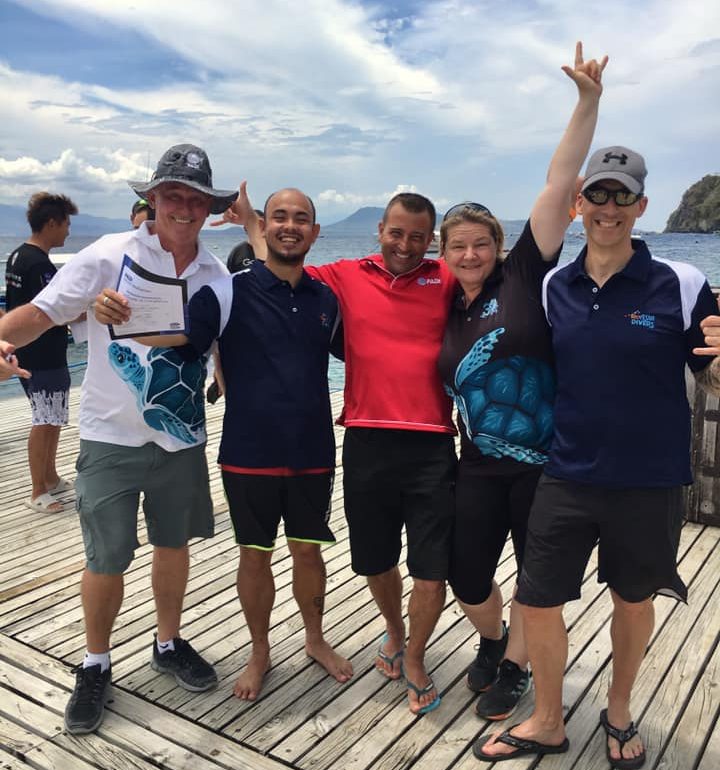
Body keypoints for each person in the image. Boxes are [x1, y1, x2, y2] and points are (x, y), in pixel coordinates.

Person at [476, 148, 720, 764]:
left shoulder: (683, 284)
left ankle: (618, 709)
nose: (609, 208)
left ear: (641, 206)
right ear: (579, 205)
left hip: (648, 479)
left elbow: (712, 377)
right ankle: (548, 720)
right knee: (536, 600)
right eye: (599, 195)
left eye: (623, 196)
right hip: (566, 471)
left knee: (633, 601)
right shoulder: (554, 285)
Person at [0, 143, 237, 735]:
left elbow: (227, 352)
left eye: (196, 199)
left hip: (182, 438)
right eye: (173, 195)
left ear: (209, 208)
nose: (184, 207)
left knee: (173, 545)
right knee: (104, 557)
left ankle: (167, 642)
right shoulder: (108, 254)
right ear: (152, 198)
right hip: (110, 437)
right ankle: (95, 662)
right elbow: (42, 313)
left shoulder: (216, 275)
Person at [107, 187, 353, 701]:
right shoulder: (225, 291)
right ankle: (260, 651)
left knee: (309, 553)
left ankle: (315, 639)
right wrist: (121, 318)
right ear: (267, 225)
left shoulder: (326, 299)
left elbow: (361, 353)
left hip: (312, 450)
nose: (290, 226)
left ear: (314, 232)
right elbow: (176, 335)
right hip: (248, 452)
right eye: (279, 217)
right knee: (255, 556)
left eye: (301, 219)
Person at [222, 185, 457, 715]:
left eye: (418, 237)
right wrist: (251, 224)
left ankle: (394, 653)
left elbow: (492, 277)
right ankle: (376, 636)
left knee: (420, 567)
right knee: (363, 559)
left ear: (433, 241)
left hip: (422, 442)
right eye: (395, 233)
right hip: (355, 441)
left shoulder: (445, 277)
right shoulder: (345, 276)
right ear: (380, 231)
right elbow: (282, 263)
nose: (404, 245)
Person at [438, 43, 606, 724]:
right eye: (458, 246)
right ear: (444, 254)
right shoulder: (445, 307)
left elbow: (559, 184)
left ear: (499, 245)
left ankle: (514, 667)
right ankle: (493, 638)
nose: (471, 254)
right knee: (466, 574)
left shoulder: (525, 274)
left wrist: (587, 102)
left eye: (481, 242)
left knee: (537, 582)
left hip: (545, 466)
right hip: (477, 466)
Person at [5, 192, 79, 513]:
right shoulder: (40, 266)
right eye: (66, 224)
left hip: (28, 352)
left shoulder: (17, 257)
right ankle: (37, 490)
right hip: (44, 355)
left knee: (52, 416)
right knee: (45, 419)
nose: (68, 232)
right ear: (51, 223)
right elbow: (53, 310)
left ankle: (50, 477)